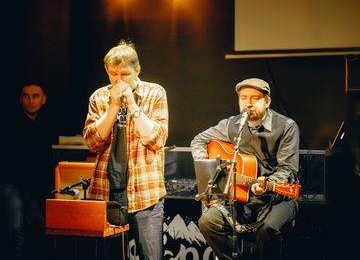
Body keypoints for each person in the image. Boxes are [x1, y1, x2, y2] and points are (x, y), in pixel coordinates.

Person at [191, 78, 300, 260]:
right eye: (243, 98)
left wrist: (269, 183)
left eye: (255, 98)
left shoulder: (286, 127)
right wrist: (210, 168)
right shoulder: (232, 124)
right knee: (207, 222)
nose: (248, 103)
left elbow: (287, 168)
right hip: (241, 196)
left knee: (268, 229)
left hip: (277, 195)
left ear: (267, 101)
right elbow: (198, 140)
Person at [83, 40, 169, 260]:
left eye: (124, 74)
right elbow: (92, 142)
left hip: (145, 191)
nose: (118, 80)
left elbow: (156, 138)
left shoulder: (155, 93)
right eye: (113, 75)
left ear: (137, 70)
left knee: (150, 256)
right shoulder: (99, 97)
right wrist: (113, 107)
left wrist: (132, 105)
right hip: (106, 190)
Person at [3, 80, 57, 259]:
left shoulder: (47, 124)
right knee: (16, 230)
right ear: (20, 99)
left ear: (43, 99)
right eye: (26, 96)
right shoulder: (10, 123)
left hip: (35, 187)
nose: (30, 100)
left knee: (38, 227)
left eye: (35, 96)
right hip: (13, 184)